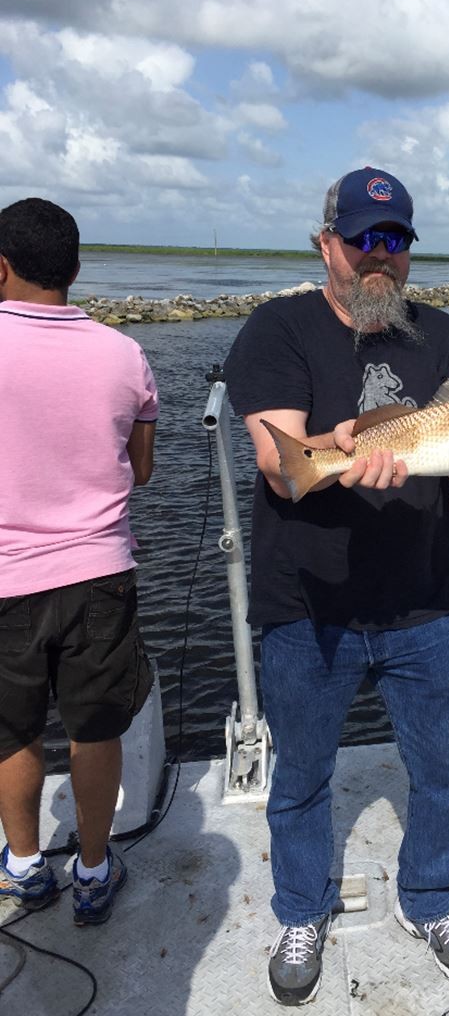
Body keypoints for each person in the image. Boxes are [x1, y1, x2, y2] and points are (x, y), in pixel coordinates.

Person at [225, 166, 449, 1006]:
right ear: (325, 244)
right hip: (308, 605)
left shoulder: (441, 334)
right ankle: (301, 911)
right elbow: (279, 465)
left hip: (422, 601)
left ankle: (432, 900)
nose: (380, 256)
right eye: (362, 239)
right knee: (301, 776)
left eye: (395, 240)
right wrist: (336, 451)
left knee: (443, 770)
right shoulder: (278, 328)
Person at [0, 198, 158, 926]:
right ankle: (93, 871)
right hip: (100, 574)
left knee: (13, 731)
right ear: (76, 269)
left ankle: (25, 866)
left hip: (7, 578)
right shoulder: (123, 354)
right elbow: (142, 470)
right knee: (95, 729)